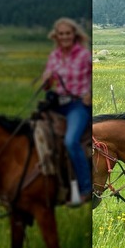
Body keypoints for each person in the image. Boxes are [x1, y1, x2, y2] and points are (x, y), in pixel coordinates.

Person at [41, 17, 92, 206]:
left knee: (71, 141)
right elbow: (47, 86)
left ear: (74, 35)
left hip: (77, 105)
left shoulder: (84, 55)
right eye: (61, 34)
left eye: (68, 33)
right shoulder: (54, 56)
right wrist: (46, 80)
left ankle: (86, 188)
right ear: (56, 36)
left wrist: (91, 93)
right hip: (57, 103)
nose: (64, 37)